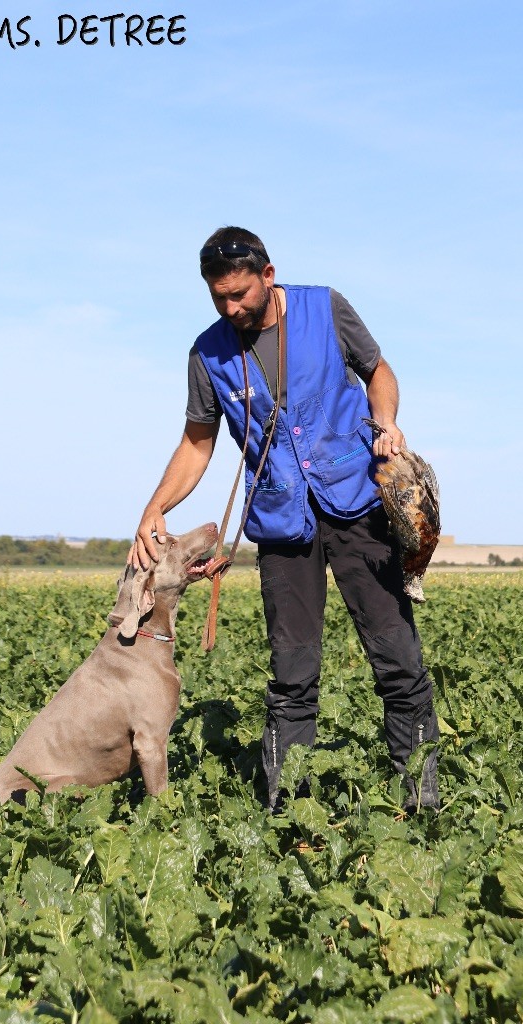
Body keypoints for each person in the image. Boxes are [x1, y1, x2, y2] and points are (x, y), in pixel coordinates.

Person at [129, 226, 439, 813]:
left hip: (357, 504)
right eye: (219, 297)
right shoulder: (208, 353)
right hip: (282, 523)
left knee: (398, 661)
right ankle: (286, 813)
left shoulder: (326, 307)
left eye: (240, 294)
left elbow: (378, 372)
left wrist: (388, 422)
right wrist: (156, 506)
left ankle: (422, 804)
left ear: (267, 276)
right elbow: (197, 444)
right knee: (292, 676)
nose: (231, 307)